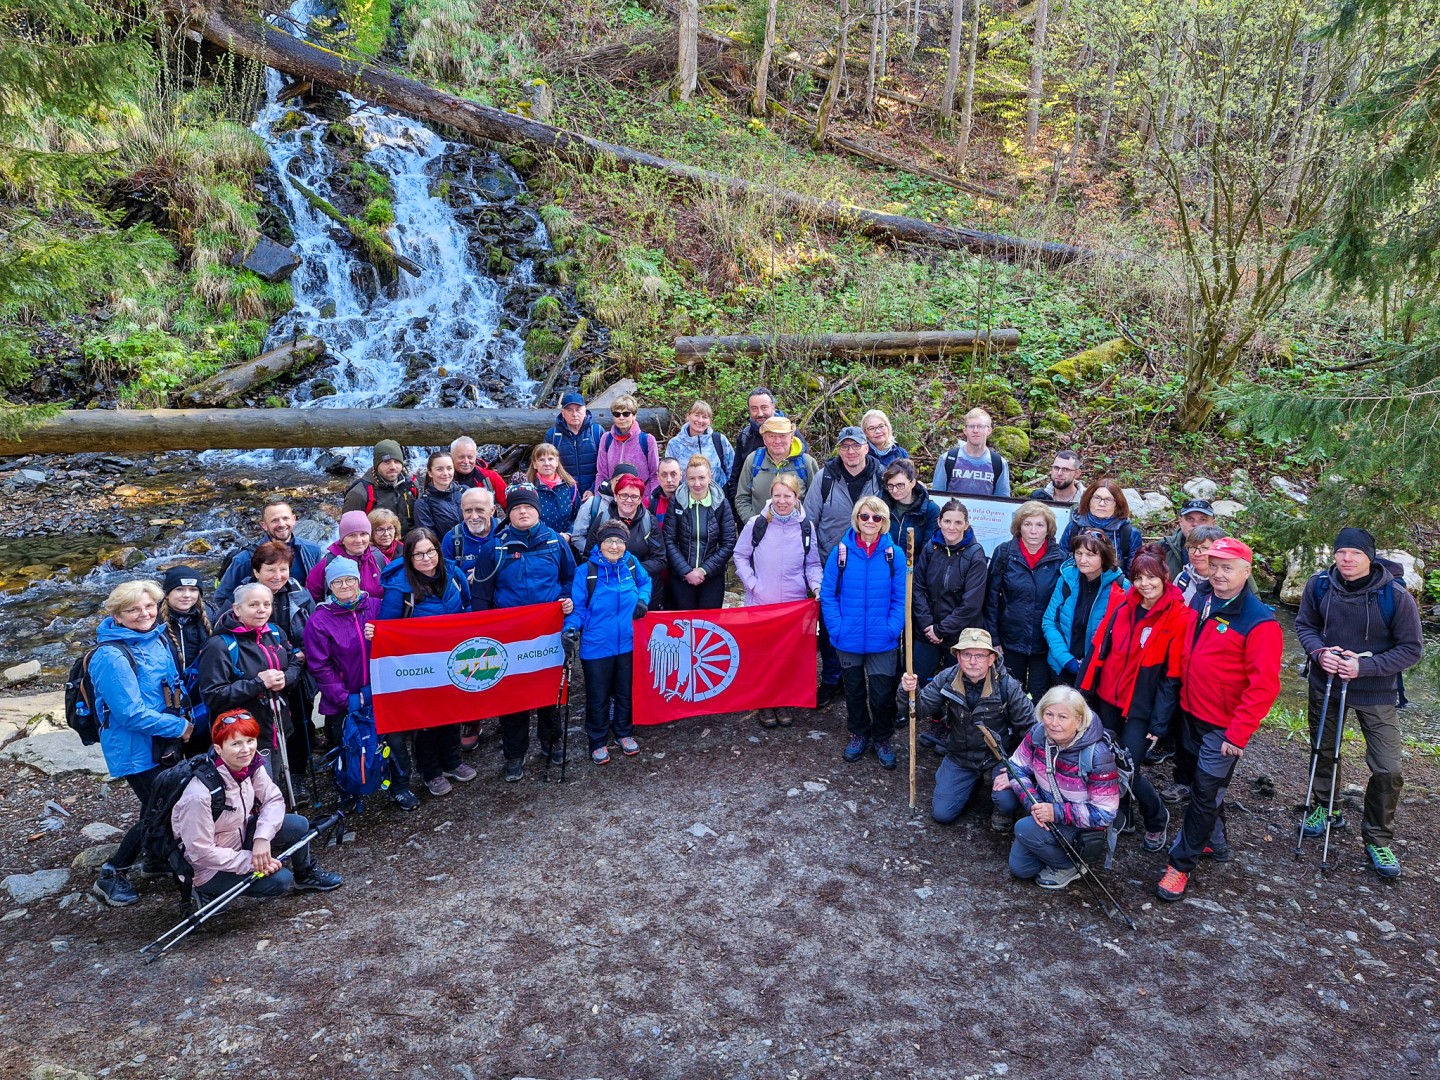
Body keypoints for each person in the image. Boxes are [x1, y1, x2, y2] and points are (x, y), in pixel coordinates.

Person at [1156, 538, 1282, 902]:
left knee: (1205, 793)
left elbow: (1264, 687)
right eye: (1214, 566)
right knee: (1201, 784)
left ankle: (1180, 866)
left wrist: (1238, 734)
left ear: (1246, 571)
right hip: (1191, 712)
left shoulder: (1260, 622)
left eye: (1228, 567)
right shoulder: (1202, 599)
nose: (1219, 574)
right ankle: (1214, 842)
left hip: (1223, 727)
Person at [1294, 527, 1424, 879]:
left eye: (1355, 553)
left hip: (1376, 691)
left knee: (1387, 768)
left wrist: (1363, 666)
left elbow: (1412, 649)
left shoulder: (1395, 597)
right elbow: (1305, 625)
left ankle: (1378, 837)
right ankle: (1324, 808)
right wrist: (1320, 653)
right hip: (1327, 682)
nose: (1347, 559)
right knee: (1323, 750)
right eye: (1341, 553)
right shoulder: (1319, 586)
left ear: (1370, 557)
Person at [1079, 543, 1193, 853]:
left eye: (1152, 577)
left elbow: (1172, 677)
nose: (1145, 584)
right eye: (1139, 578)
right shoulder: (1123, 607)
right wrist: (1082, 696)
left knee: (1126, 766)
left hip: (1142, 707)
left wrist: (1159, 723)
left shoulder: (1178, 616)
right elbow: (1098, 651)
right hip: (1108, 699)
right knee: (1105, 760)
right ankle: (1123, 815)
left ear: (1165, 577)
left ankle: (1156, 817)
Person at [89, 580, 194, 907]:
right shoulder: (110, 657)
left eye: (149, 606)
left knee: (163, 804)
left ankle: (155, 860)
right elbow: (130, 714)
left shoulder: (156, 637)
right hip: (135, 747)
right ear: (117, 616)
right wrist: (181, 727)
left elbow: (171, 684)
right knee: (161, 808)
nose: (143, 614)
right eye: (133, 609)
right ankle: (112, 872)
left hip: (162, 741)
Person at [173, 709, 341, 900]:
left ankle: (305, 875)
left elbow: (273, 800)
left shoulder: (249, 767)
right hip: (207, 869)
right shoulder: (199, 794)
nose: (246, 749)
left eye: (250, 740)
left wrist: (262, 838)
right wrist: (251, 861)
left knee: (299, 824)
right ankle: (205, 892)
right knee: (281, 880)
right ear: (219, 749)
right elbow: (200, 852)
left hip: (240, 837)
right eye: (236, 743)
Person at [471, 485, 578, 782]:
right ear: (509, 512)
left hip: (548, 632)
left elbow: (570, 578)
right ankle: (515, 754)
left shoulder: (555, 542)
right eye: (517, 507)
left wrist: (568, 600)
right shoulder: (494, 547)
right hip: (510, 635)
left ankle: (552, 742)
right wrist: (485, 630)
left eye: (528, 507)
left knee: (551, 690)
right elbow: (481, 595)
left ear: (537, 510)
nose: (523, 511)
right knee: (513, 694)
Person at [302, 557, 418, 809]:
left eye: (350, 579)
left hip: (382, 693)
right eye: (337, 582)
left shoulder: (377, 606)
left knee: (395, 743)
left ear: (358, 580)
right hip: (343, 698)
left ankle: (399, 786)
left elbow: (397, 640)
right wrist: (345, 698)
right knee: (345, 746)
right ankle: (348, 791)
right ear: (329, 586)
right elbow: (319, 665)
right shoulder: (319, 620)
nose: (345, 586)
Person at [901, 628, 1033, 828]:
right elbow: (917, 712)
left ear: (991, 659)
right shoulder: (947, 679)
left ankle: (1001, 808)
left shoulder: (1008, 686)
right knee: (942, 813)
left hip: (999, 757)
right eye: (967, 654)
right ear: (957, 657)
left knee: (1006, 800)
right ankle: (969, 782)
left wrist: (1016, 770)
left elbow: (1031, 731)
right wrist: (907, 692)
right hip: (960, 756)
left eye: (979, 655)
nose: (972, 661)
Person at [379, 528, 477, 796]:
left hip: (452, 657)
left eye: (430, 551)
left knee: (451, 711)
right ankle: (431, 772)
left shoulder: (454, 574)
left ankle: (452, 761)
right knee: (425, 719)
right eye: (418, 554)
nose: (426, 558)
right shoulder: (400, 586)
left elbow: (467, 605)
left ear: (438, 550)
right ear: (409, 557)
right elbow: (387, 629)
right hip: (418, 663)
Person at [991, 686, 1120, 889]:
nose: (1053, 723)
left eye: (1063, 717)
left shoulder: (1097, 756)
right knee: (1021, 868)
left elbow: (1106, 812)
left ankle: (1072, 864)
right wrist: (1035, 804)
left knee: (1023, 829)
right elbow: (1016, 767)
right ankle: (1049, 846)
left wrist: (1055, 812)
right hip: (1046, 807)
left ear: (1078, 720)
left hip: (1079, 823)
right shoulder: (1038, 733)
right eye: (1049, 714)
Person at [820, 497, 907, 770]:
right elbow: (828, 595)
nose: (870, 522)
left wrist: (892, 629)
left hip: (883, 640)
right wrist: (837, 628)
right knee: (854, 691)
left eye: (876, 517)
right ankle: (859, 733)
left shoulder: (894, 555)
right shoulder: (841, 552)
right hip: (848, 638)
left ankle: (882, 737)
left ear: (884, 522)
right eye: (865, 516)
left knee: (882, 694)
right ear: (857, 518)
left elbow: (900, 598)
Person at [732, 473, 822, 728]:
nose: (782, 501)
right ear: (771, 495)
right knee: (763, 655)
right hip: (761, 602)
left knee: (786, 655)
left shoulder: (806, 527)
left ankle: (782, 699)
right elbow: (740, 556)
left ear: (796, 497)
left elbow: (812, 563)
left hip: (793, 606)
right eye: (778, 495)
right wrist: (753, 584)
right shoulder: (756, 524)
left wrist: (816, 586)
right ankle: (764, 702)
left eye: (788, 496)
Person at [198, 581, 305, 795]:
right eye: (253, 605)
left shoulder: (274, 632)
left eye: (267, 604)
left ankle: (277, 821)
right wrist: (258, 683)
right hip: (243, 735)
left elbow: (296, 660)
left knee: (272, 783)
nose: (261, 610)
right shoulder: (219, 645)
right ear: (237, 609)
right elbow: (213, 695)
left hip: (277, 726)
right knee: (251, 791)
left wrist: (285, 678)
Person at [564, 519, 652, 765]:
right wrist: (570, 629)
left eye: (619, 541)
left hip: (628, 643)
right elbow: (578, 608)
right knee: (598, 695)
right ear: (600, 544)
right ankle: (598, 739)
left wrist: (642, 601)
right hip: (596, 646)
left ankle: (624, 732)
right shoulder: (586, 572)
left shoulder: (632, 565)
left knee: (625, 692)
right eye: (609, 541)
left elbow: (646, 583)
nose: (614, 546)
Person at [911, 499, 988, 708]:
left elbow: (972, 603)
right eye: (947, 521)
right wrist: (928, 624)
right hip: (926, 630)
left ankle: (949, 724)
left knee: (956, 685)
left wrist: (941, 630)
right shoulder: (931, 547)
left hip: (959, 635)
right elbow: (917, 586)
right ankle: (926, 716)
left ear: (966, 524)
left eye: (957, 522)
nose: (951, 527)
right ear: (939, 521)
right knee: (922, 678)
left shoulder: (975, 555)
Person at [985, 501, 1065, 700]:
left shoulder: (1060, 559)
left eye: (1040, 525)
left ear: (1048, 529)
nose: (1033, 530)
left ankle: (1035, 730)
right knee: (1009, 691)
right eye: (1028, 524)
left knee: (1040, 694)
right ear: (1019, 526)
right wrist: (993, 638)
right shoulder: (1004, 554)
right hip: (1010, 638)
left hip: (1044, 640)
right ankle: (1010, 730)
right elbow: (991, 599)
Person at [443, 486, 498, 753]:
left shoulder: (506, 533)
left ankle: (508, 713)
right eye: (468, 510)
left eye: (480, 510)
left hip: (501, 611)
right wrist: (464, 579)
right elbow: (439, 578)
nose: (474, 516)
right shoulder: (452, 538)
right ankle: (472, 720)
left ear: (493, 510)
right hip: (468, 614)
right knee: (471, 668)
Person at [1042, 530, 1128, 685]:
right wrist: (1068, 661)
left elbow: (1123, 635)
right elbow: (1050, 622)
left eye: (1090, 555)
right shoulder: (1067, 579)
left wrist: (1093, 664)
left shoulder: (1121, 586)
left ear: (1104, 556)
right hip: (1062, 667)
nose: (1082, 560)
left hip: (1099, 674)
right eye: (1078, 553)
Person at [216, 497, 323, 608]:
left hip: (301, 618)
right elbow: (222, 598)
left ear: (294, 519)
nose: (281, 524)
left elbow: (318, 590)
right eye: (275, 520)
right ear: (264, 525)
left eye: (285, 518)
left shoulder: (312, 551)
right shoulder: (245, 559)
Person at [664, 455, 737, 611]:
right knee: (683, 623)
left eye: (702, 478)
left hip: (712, 576)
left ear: (710, 477)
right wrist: (686, 571)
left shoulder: (721, 504)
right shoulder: (676, 502)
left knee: (709, 624)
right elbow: (669, 540)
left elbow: (729, 542)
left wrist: (704, 570)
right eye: (692, 478)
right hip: (681, 575)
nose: (697, 484)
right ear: (685, 479)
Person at [579, 473, 665, 603]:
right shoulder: (602, 519)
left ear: (641, 499)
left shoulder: (649, 521)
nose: (629, 500)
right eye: (624, 495)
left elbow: (660, 559)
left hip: (642, 590)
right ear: (615, 496)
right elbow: (588, 556)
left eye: (634, 496)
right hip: (608, 588)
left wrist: (630, 569)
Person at [158, 565, 217, 753]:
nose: (187, 595)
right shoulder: (153, 619)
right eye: (180, 589)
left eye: (193, 590)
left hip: (201, 692)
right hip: (167, 694)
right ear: (166, 594)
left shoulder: (209, 615)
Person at [734, 416, 819, 523]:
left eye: (783, 436)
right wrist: (754, 522)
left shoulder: (806, 463)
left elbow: (816, 502)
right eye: (771, 436)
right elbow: (742, 498)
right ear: (764, 439)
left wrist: (802, 526)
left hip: (796, 532)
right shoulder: (753, 460)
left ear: (791, 438)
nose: (777, 441)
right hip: (760, 532)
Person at [1058, 481, 1143, 573]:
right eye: (1097, 498)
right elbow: (1062, 564)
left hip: (1115, 585)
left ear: (1117, 504)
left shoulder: (1129, 533)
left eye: (1108, 500)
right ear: (1089, 500)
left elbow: (1133, 572)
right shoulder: (1074, 527)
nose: (1102, 504)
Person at [304, 510, 387, 602]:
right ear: (342, 539)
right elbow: (312, 595)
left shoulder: (379, 559)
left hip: (376, 614)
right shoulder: (328, 562)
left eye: (363, 534)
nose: (359, 540)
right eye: (352, 535)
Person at [342, 440, 420, 532]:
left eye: (397, 461)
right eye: (387, 462)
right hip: (376, 544)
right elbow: (349, 533)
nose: (393, 467)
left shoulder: (411, 484)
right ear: (376, 465)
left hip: (408, 542)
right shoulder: (359, 493)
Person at [933, 407, 1010, 495]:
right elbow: (937, 497)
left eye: (980, 426)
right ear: (965, 430)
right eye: (971, 426)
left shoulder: (999, 463)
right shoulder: (948, 459)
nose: (975, 430)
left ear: (989, 430)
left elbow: (1003, 501)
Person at [724, 386, 779, 507]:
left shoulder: (790, 436)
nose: (760, 413)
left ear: (773, 408)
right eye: (754, 409)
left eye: (764, 407)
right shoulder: (745, 437)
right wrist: (743, 514)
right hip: (753, 518)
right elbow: (735, 479)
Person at [545, 389, 606, 496]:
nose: (574, 414)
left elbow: (605, 467)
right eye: (569, 410)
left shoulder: (597, 432)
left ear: (585, 411)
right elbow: (547, 468)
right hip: (564, 493)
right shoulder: (553, 435)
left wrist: (593, 489)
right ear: (563, 413)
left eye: (578, 409)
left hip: (594, 493)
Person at [594, 393, 659, 493]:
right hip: (613, 497)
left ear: (634, 415)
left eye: (626, 414)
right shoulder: (606, 439)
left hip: (640, 497)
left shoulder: (647, 440)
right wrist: (599, 497)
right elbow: (602, 474)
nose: (621, 417)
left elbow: (655, 474)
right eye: (617, 414)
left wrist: (649, 500)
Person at [666, 400, 735, 491]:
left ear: (710, 421)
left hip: (719, 497)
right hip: (687, 499)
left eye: (705, 417)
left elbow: (732, 471)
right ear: (688, 416)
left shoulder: (719, 440)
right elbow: (670, 475)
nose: (700, 420)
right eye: (697, 415)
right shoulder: (675, 444)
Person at [881, 459, 938, 555]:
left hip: (915, 567)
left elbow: (929, 549)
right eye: (890, 485)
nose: (894, 490)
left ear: (912, 483)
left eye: (900, 485)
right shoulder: (882, 507)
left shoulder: (930, 510)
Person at [528, 442, 578, 539]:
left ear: (557, 462)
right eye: (541, 460)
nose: (547, 463)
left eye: (550, 459)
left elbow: (578, 516)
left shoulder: (570, 486)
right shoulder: (529, 489)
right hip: (539, 543)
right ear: (534, 464)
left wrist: (569, 534)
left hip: (567, 543)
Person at [414, 450, 467, 541]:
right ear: (430, 472)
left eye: (449, 468)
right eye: (439, 469)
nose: (445, 473)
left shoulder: (466, 491)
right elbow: (429, 540)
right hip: (445, 553)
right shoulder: (423, 504)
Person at [1162, 498, 1217, 578]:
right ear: (1180, 521)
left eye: (1203, 519)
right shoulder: (1164, 546)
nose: (1195, 524)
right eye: (1189, 519)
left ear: (1213, 523)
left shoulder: (1227, 550)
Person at [451, 435, 509, 508]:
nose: (466, 461)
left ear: (476, 457)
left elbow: (509, 504)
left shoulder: (490, 478)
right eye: (461, 457)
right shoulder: (443, 479)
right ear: (452, 457)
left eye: (470, 457)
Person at [1172, 523, 1226, 602]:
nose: (1197, 554)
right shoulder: (1182, 578)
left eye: (1204, 548)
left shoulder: (1225, 582)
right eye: (1193, 547)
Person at [647, 457, 683, 528]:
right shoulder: (649, 503)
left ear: (680, 475)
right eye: (664, 475)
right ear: (658, 477)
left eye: (673, 474)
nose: (669, 480)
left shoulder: (691, 500)